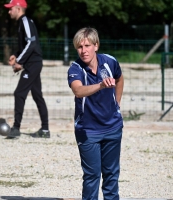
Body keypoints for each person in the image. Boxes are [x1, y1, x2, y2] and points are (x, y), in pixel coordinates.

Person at [67, 27, 124, 200]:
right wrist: (100, 85)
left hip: (113, 128)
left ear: (96, 46)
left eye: (87, 45)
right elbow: (78, 90)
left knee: (111, 175)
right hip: (88, 131)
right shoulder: (75, 69)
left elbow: (120, 78)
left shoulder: (109, 61)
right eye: (79, 47)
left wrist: (117, 104)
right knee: (92, 177)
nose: (83, 50)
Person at [4, 0, 50, 139]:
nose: (9, 11)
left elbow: (31, 43)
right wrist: (16, 55)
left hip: (33, 64)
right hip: (32, 64)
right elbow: (26, 45)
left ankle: (16, 128)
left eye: (10, 8)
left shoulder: (25, 21)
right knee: (37, 95)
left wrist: (19, 61)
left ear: (18, 8)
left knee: (19, 93)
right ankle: (45, 130)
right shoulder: (21, 23)